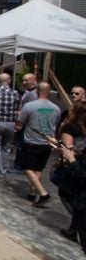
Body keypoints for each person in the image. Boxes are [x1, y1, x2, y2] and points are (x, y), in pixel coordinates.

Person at [17, 82, 61, 206]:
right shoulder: (56, 108)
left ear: (37, 92)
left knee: (27, 168)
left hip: (32, 141)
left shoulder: (29, 106)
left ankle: (43, 193)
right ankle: (32, 192)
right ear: (49, 92)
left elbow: (19, 124)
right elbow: (56, 124)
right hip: (47, 142)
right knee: (38, 168)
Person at [59, 101, 86, 243]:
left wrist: (71, 157)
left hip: (76, 176)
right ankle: (74, 227)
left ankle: (75, 225)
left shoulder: (69, 126)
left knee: (67, 194)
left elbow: (82, 176)